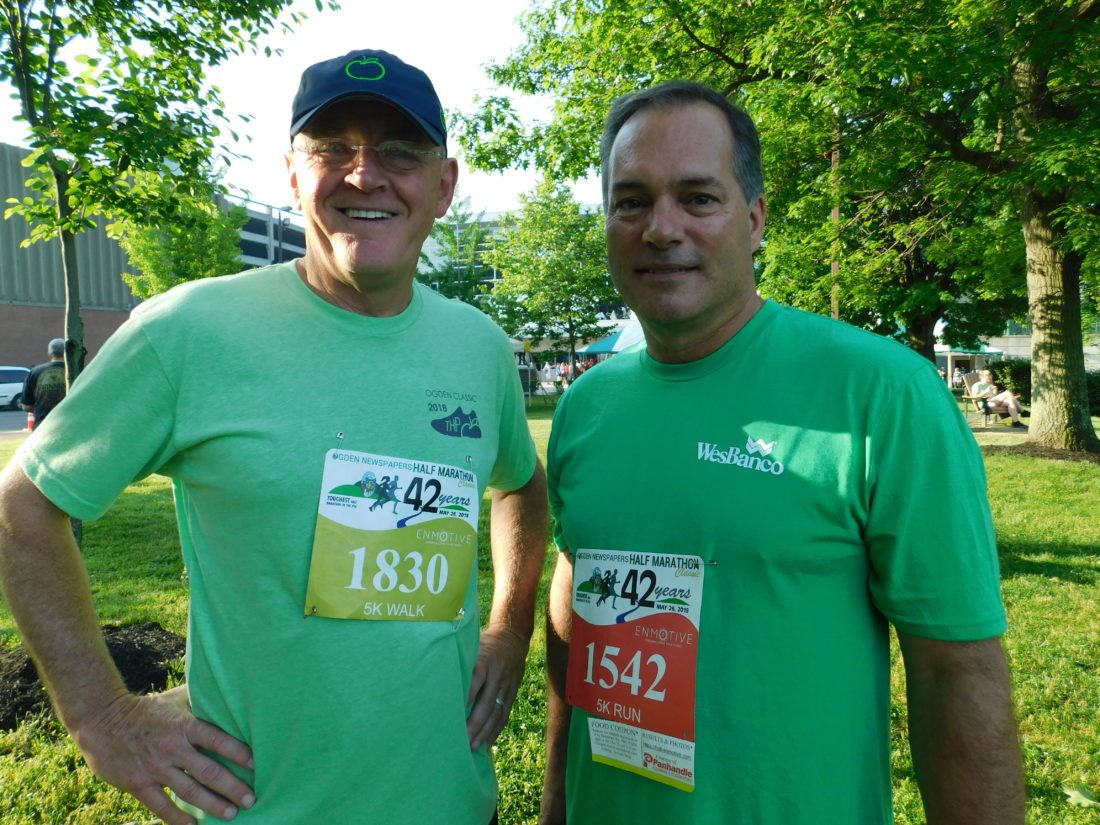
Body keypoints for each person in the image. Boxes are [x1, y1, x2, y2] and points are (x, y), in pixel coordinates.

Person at [0, 48, 547, 824]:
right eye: (332, 148)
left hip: (455, 803)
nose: (365, 174)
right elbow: (23, 505)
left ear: (444, 185)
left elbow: (521, 483)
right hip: (266, 807)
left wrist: (509, 627)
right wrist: (101, 714)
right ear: (293, 175)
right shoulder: (189, 331)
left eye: (400, 151)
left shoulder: (479, 347)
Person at [538, 81, 1024, 824]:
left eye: (698, 198)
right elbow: (577, 598)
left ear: (755, 219)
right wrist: (555, 798)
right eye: (631, 201)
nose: (660, 229)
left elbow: (957, 672)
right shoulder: (585, 406)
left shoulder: (881, 392)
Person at [20, 337, 67, 425]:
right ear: (67, 352)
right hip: (69, 424)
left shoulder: (34, 372)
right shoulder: (77, 371)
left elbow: (26, 406)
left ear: (49, 353)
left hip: (43, 426)